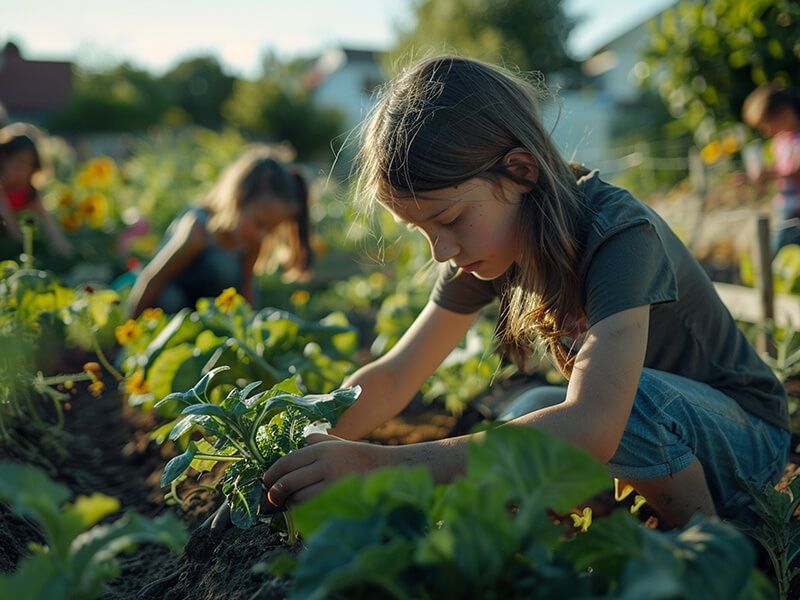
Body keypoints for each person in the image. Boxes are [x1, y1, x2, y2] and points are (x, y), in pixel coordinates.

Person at [257, 55, 790, 530]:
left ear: (519, 172)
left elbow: (597, 424)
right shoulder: (490, 245)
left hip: (748, 448)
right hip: (662, 442)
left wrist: (377, 464)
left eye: (449, 220)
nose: (440, 251)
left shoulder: (620, 233)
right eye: (422, 232)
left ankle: (714, 548)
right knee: (528, 412)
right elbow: (397, 374)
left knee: (616, 408)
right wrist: (304, 444)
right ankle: (623, 518)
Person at [127, 145, 313, 318]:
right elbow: (153, 279)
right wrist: (128, 334)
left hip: (207, 317)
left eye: (270, 230)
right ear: (238, 198)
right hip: (168, 312)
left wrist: (249, 332)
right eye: (259, 223)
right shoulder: (198, 229)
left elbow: (246, 293)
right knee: (178, 294)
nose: (261, 235)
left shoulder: (251, 242)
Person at [742, 83, 800, 256]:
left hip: (796, 211)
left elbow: (796, 170)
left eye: (766, 125)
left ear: (783, 113)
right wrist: (755, 178)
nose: (766, 132)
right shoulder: (780, 142)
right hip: (786, 207)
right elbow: (780, 172)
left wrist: (770, 174)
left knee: (777, 254)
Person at [0, 123, 73, 256]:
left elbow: (50, 226)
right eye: (19, 164)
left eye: (29, 165)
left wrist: (64, 250)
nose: (23, 172)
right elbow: (13, 229)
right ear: (4, 160)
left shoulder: (29, 192)